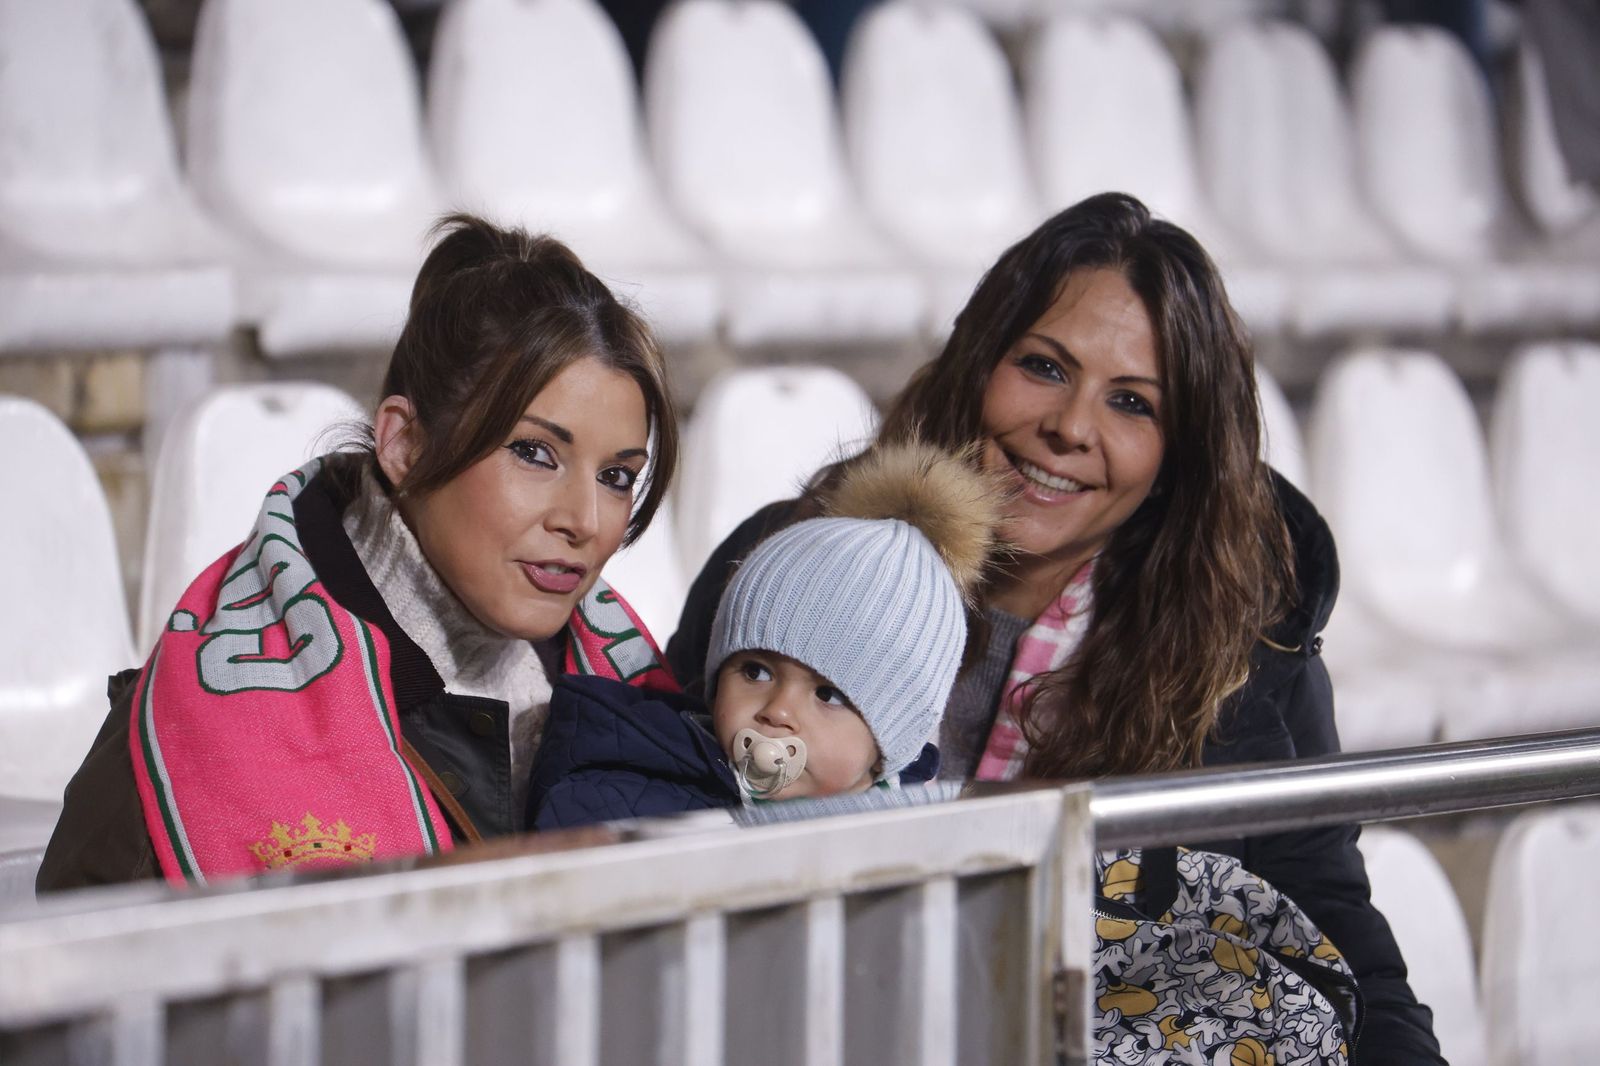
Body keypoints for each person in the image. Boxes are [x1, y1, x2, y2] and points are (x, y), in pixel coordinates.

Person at [667, 193, 1445, 1063]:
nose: (1071, 428)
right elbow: (660, 806)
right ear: (977, 363)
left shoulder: (1244, 644)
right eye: (1042, 366)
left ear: (1179, 451)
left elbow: (1327, 917)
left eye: (1133, 404)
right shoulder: (793, 564)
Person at [38, 214, 680, 891]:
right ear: (404, 444)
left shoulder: (635, 700)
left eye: (617, 476)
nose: (585, 521)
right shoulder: (177, 736)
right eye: (533, 453)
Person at [525, 442, 998, 829]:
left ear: (890, 748)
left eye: (829, 694)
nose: (777, 712)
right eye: (755, 670)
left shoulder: (915, 829)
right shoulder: (628, 791)